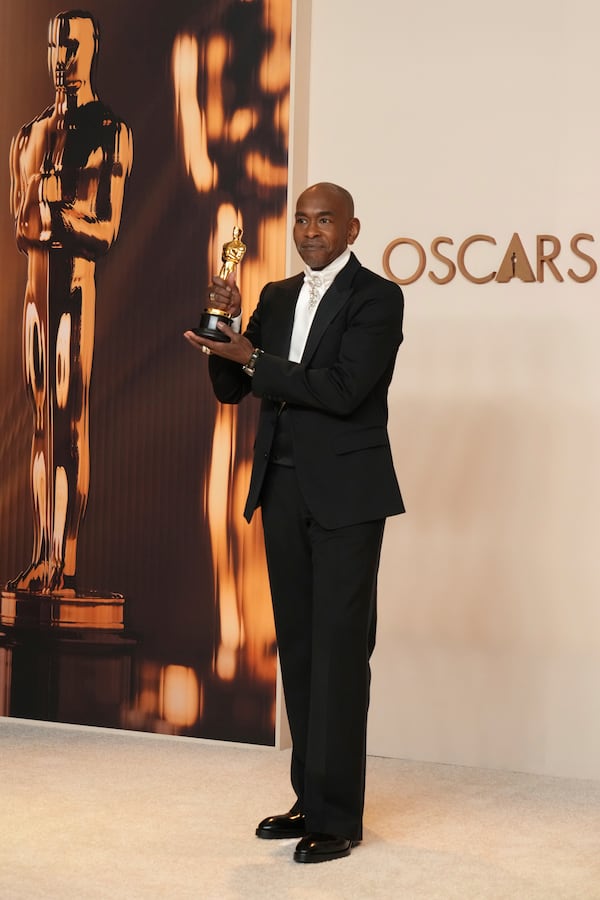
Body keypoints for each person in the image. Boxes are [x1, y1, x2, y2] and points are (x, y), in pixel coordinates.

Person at [184, 182, 405, 863]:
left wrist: (250, 358)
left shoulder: (377, 298)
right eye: (302, 220)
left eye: (324, 220)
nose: (310, 231)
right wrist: (220, 325)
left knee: (341, 653)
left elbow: (341, 391)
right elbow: (234, 387)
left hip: (348, 498)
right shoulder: (277, 296)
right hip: (280, 490)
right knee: (302, 651)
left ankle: (339, 818)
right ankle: (310, 796)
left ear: (353, 228)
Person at [8, 10, 132, 595]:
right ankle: (42, 552)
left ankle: (65, 559)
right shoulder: (29, 133)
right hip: (34, 293)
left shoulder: (108, 129)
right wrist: (45, 215)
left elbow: (103, 232)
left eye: (73, 46)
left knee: (66, 423)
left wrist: (54, 211)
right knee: (41, 426)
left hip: (73, 288)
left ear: (92, 49)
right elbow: (18, 224)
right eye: (55, 46)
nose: (62, 58)